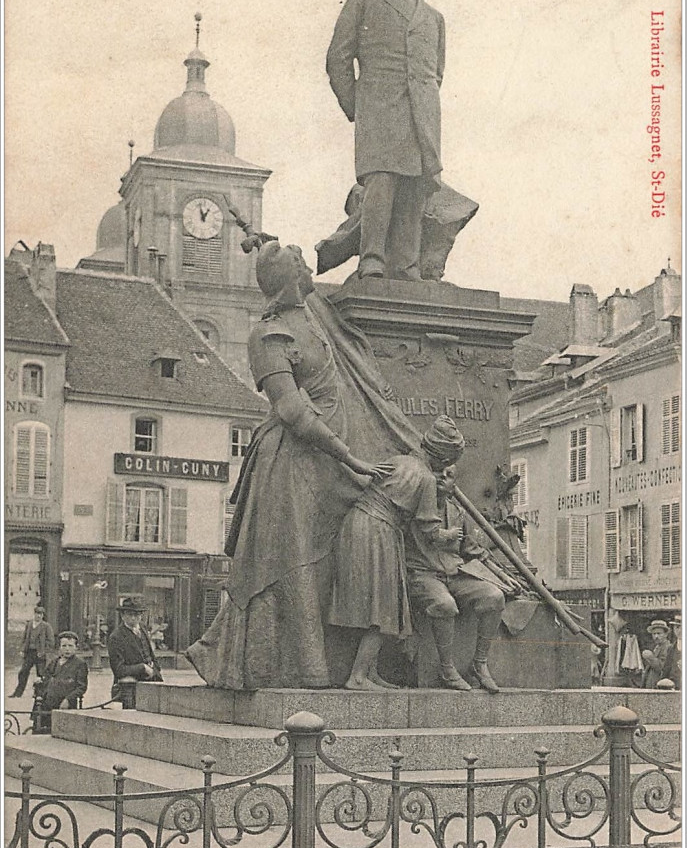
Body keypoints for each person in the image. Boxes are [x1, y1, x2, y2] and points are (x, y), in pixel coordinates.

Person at [186, 240, 397, 691]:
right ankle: (288, 669)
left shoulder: (316, 316)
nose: (309, 268)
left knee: (325, 563)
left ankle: (325, 665)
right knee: (291, 564)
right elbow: (292, 411)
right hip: (291, 464)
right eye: (301, 263)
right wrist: (351, 457)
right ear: (290, 278)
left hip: (329, 464)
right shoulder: (268, 336)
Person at [326, 0, 445, 281]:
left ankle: (406, 264)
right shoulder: (363, 3)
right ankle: (372, 258)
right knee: (382, 182)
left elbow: (435, 72)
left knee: (416, 185)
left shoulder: (434, 18)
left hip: (421, 116)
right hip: (378, 110)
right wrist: (358, 108)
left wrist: (425, 106)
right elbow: (338, 60)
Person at [330, 416, 467, 690]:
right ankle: (357, 676)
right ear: (442, 459)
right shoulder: (426, 478)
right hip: (378, 530)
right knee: (384, 606)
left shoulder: (400, 461)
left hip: (356, 523)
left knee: (376, 602)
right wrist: (452, 535)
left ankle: (370, 673)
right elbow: (429, 530)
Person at [405, 457, 521, 693]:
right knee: (445, 605)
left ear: (454, 485)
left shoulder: (457, 512)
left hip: (455, 573)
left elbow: (474, 550)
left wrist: (501, 575)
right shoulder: (413, 506)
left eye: (448, 475)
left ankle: (479, 664)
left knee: (494, 596)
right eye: (437, 472)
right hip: (423, 575)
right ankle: (447, 670)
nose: (440, 478)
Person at [108, 595, 163, 698]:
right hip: (130, 689)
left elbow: (151, 654)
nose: (133, 618)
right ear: (123, 616)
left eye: (137, 614)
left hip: (152, 683)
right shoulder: (116, 637)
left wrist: (155, 670)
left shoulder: (143, 629)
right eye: (129, 614)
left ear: (141, 615)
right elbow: (118, 670)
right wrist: (143, 668)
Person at [11, 605, 55, 698]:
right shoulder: (29, 624)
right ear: (34, 614)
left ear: (43, 615)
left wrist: (43, 651)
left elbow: (51, 641)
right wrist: (22, 650)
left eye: (41, 614)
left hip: (40, 654)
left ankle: (39, 693)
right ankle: (18, 693)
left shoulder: (46, 626)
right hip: (29, 653)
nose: (39, 616)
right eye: (37, 613)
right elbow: (24, 638)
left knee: (41, 674)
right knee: (23, 672)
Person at [38, 631, 88, 712]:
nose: (67, 649)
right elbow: (46, 679)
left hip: (66, 703)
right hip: (48, 701)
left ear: (76, 647)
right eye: (64, 646)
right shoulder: (54, 662)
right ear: (60, 648)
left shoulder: (79, 664)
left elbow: (81, 687)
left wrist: (68, 700)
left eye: (70, 646)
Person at [641, 620, 674, 689]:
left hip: (660, 686)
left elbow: (663, 668)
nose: (656, 636)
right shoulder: (657, 647)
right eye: (654, 634)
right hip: (651, 685)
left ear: (666, 634)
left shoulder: (668, 647)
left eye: (659, 633)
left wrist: (650, 657)